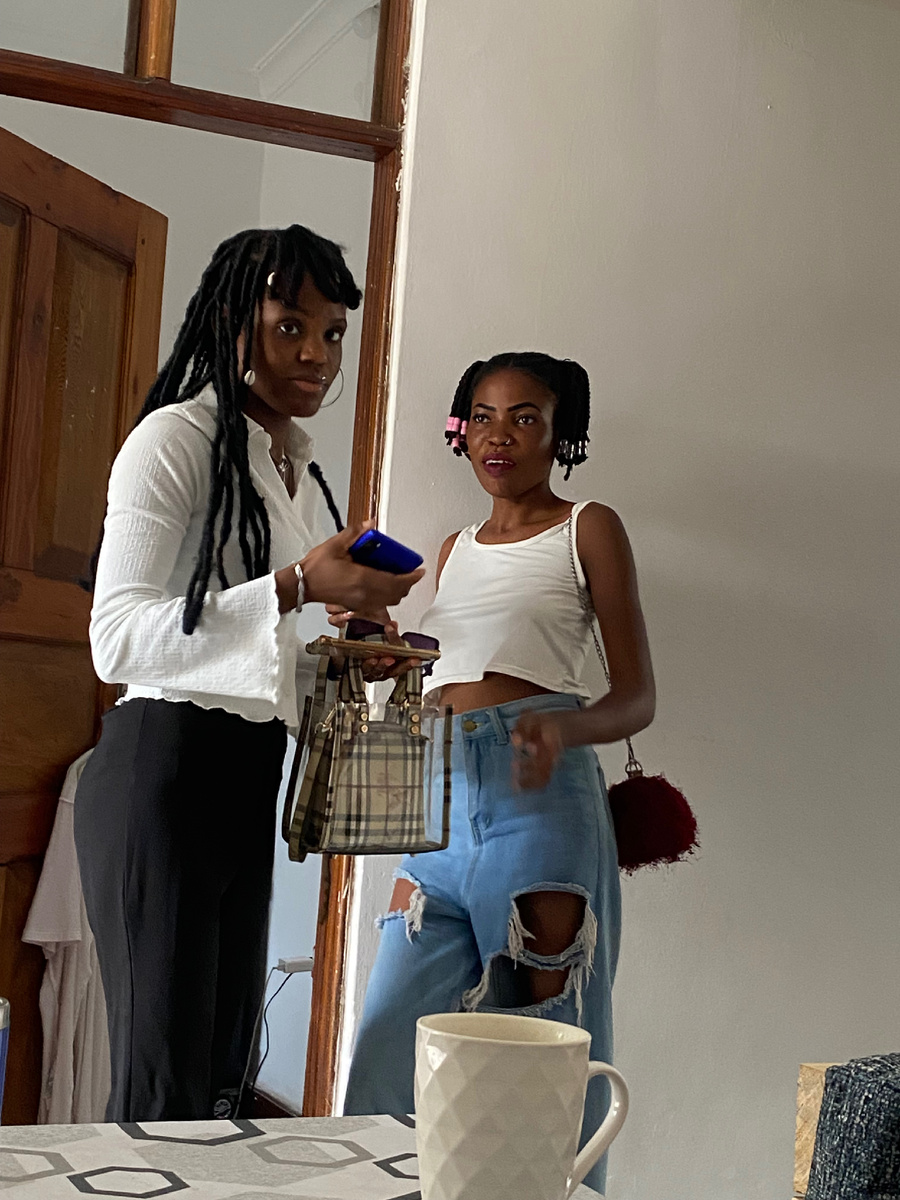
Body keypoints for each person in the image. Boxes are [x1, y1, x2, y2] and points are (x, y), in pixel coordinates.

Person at [74, 225, 423, 1123]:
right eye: (290, 326)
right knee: (162, 1085)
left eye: (332, 332)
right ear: (235, 322)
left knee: (221, 1076)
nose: (316, 354)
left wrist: (350, 663)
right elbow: (117, 637)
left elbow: (252, 661)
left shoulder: (289, 468)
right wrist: (299, 583)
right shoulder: (173, 441)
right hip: (162, 767)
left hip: (244, 772)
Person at [341, 351, 655, 1193]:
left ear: (560, 434)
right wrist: (386, 655)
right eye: (482, 416)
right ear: (462, 431)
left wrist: (565, 727)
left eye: (524, 418)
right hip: (437, 803)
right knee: (387, 1051)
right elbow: (452, 665)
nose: (499, 435)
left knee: (549, 1058)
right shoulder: (453, 549)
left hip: (538, 805)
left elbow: (638, 697)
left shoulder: (588, 526)